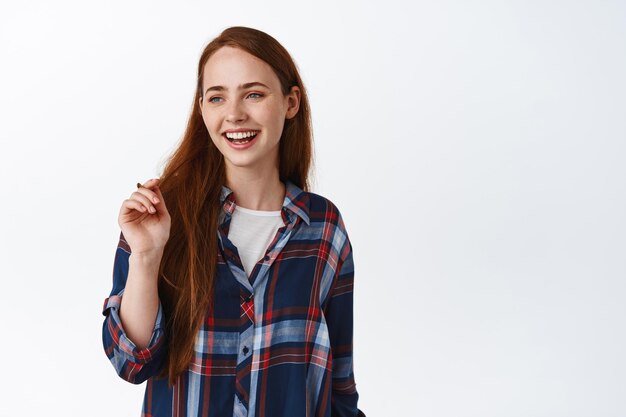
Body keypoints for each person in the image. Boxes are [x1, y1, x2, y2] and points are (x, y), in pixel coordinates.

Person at [101, 26, 366, 417]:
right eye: (217, 97)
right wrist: (146, 254)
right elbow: (131, 361)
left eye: (254, 94)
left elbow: (340, 384)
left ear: (291, 102)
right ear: (202, 108)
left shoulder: (323, 227)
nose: (234, 114)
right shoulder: (161, 215)